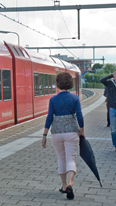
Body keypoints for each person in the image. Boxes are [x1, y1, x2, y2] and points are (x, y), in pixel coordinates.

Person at [42, 72, 84, 200]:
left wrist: (44, 135)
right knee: (70, 158)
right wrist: (82, 130)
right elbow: (80, 116)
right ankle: (71, 183)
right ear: (70, 84)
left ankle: (64, 185)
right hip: (71, 131)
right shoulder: (75, 98)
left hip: (57, 132)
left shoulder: (53, 99)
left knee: (61, 158)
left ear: (58, 84)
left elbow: (49, 117)